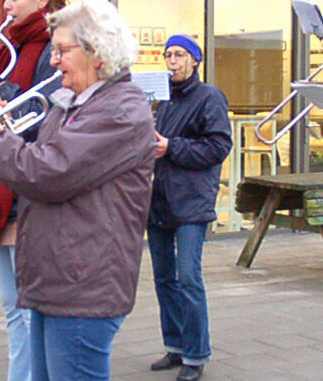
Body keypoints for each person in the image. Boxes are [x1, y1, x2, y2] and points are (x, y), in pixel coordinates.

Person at [0, 1, 155, 379]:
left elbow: (44, 172)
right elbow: (42, 157)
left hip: (82, 286)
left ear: (97, 54)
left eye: (62, 51)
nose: (52, 61)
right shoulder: (73, 103)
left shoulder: (117, 110)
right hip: (57, 281)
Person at [0, 1, 65, 380]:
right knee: (13, 310)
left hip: (26, 196)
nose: (6, 3)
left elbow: (47, 122)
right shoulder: (9, 47)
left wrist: (1, 104)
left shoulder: (53, 46)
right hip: (0, 187)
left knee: (30, 313)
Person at [145, 34, 231, 381]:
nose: (172, 61)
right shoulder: (161, 100)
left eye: (179, 54)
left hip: (191, 202)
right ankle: (176, 346)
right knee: (164, 278)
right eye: (168, 55)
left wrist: (171, 147)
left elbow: (217, 147)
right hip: (159, 199)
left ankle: (197, 354)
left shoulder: (210, 97)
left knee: (189, 278)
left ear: (195, 59)